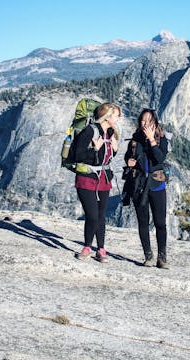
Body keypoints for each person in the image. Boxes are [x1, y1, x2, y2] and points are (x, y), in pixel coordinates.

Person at [73, 102, 121, 263]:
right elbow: (77, 154)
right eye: (116, 115)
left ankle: (101, 249)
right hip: (86, 178)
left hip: (103, 178)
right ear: (107, 116)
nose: (118, 118)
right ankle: (87, 246)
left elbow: (104, 158)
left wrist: (114, 150)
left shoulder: (109, 133)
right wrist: (94, 149)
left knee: (101, 215)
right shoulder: (90, 131)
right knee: (92, 215)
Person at [124, 108, 169, 269]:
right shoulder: (135, 138)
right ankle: (148, 256)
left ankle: (162, 257)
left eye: (148, 121)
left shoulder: (162, 138)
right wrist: (129, 161)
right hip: (139, 185)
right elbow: (129, 155)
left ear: (155, 123)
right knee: (143, 222)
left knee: (160, 223)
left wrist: (151, 140)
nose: (144, 123)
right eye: (142, 120)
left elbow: (160, 158)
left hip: (157, 184)